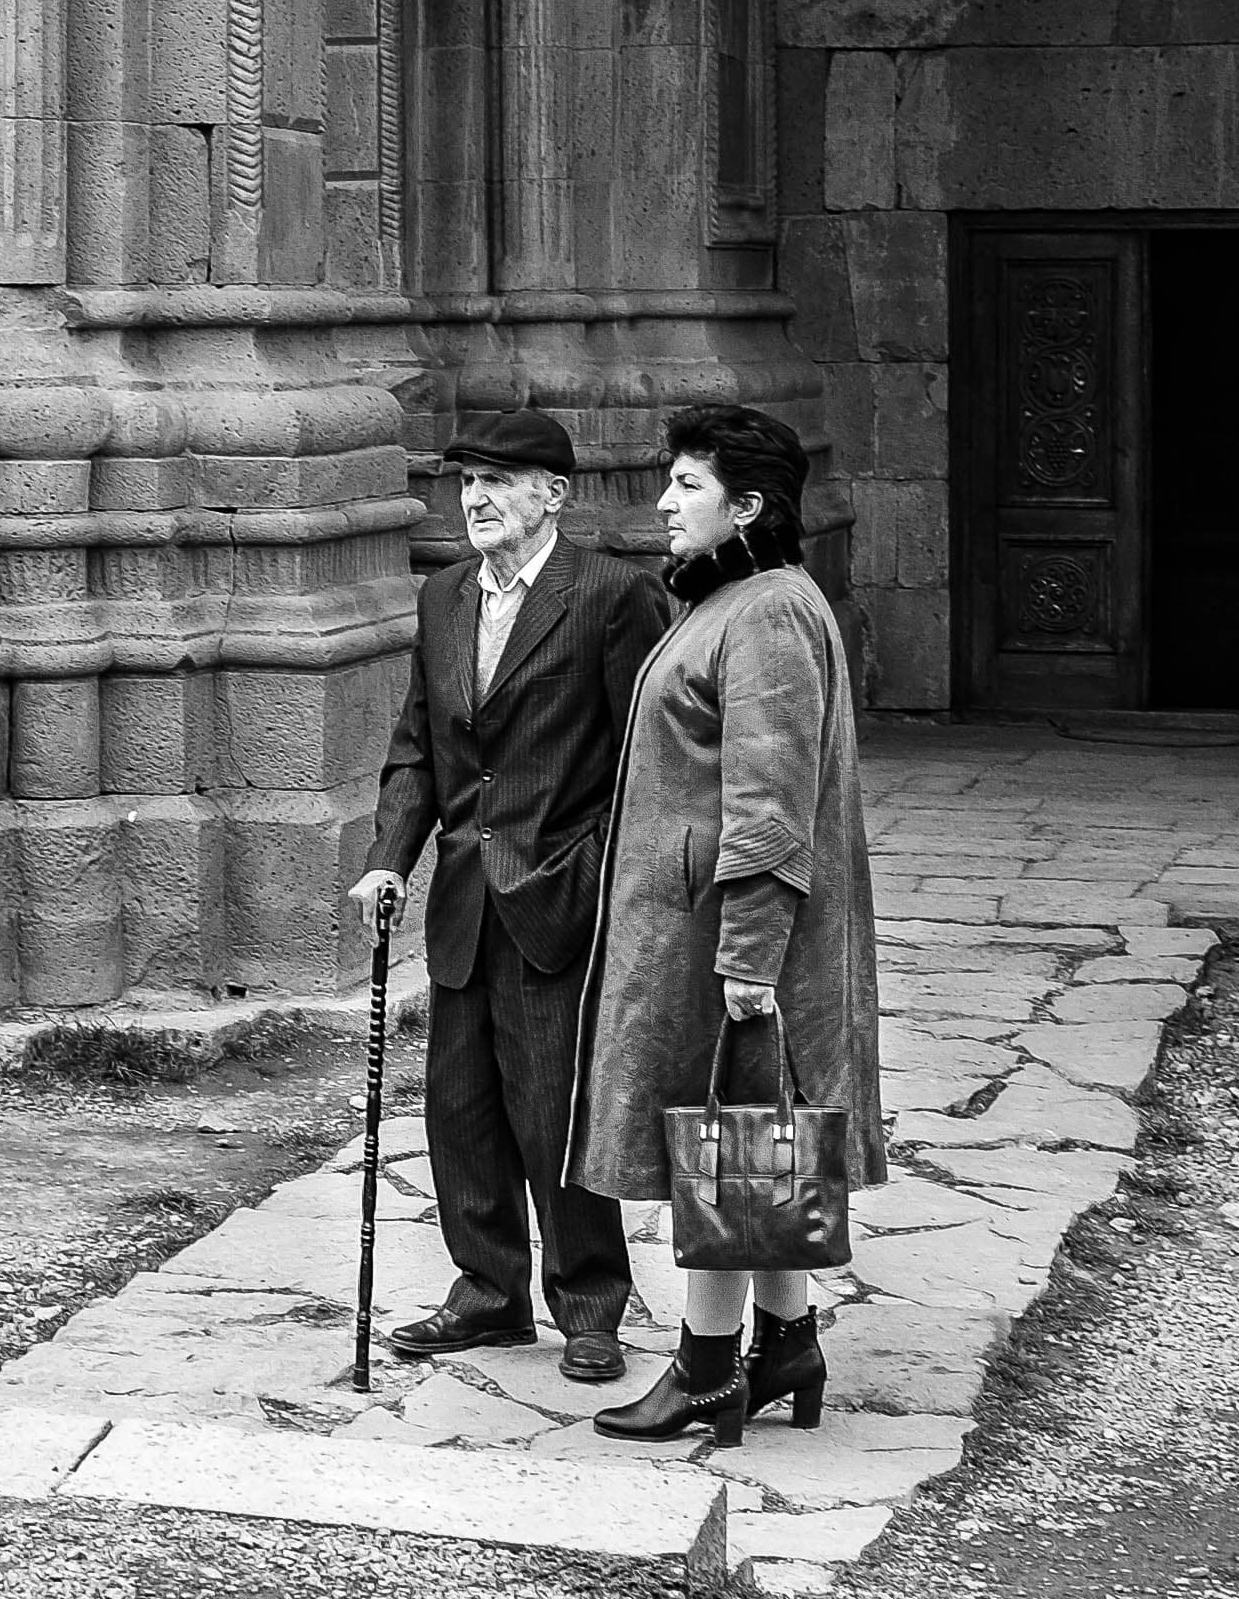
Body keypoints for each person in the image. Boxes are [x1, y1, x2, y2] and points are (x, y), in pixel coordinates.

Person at [571, 401, 881, 1445]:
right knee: (756, 1139)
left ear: (747, 505)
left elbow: (767, 798)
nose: (661, 499)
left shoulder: (766, 613)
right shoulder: (740, 598)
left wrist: (747, 956)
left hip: (729, 934)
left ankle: (704, 1370)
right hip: (697, 925)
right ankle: (786, 1339)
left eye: (686, 485)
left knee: (728, 1141)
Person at [345, 409, 673, 1382]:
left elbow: (648, 760)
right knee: (461, 1105)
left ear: (553, 494)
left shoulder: (612, 596)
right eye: (465, 482)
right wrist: (386, 857)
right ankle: (487, 1292)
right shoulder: (443, 595)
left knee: (551, 1109)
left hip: (557, 895)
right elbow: (416, 747)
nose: (475, 498)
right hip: (462, 898)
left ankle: (588, 1303)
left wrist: (601, 868)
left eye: (496, 480)